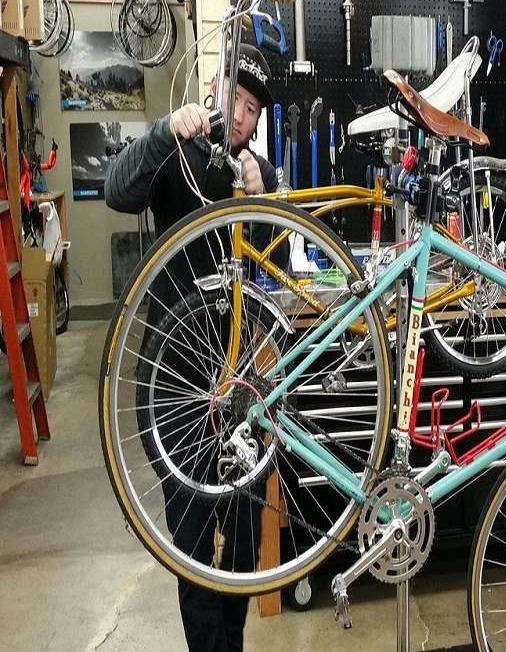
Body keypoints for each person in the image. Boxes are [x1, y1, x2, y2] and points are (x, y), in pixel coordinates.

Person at [105, 43, 282, 652]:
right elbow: (117, 191)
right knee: (191, 544)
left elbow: (278, 265)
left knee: (243, 541)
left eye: (254, 110)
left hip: (237, 387)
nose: (242, 116)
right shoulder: (176, 151)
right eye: (237, 99)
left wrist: (263, 201)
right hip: (173, 384)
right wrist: (162, 131)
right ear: (214, 86)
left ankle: (229, 645)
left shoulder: (256, 173)